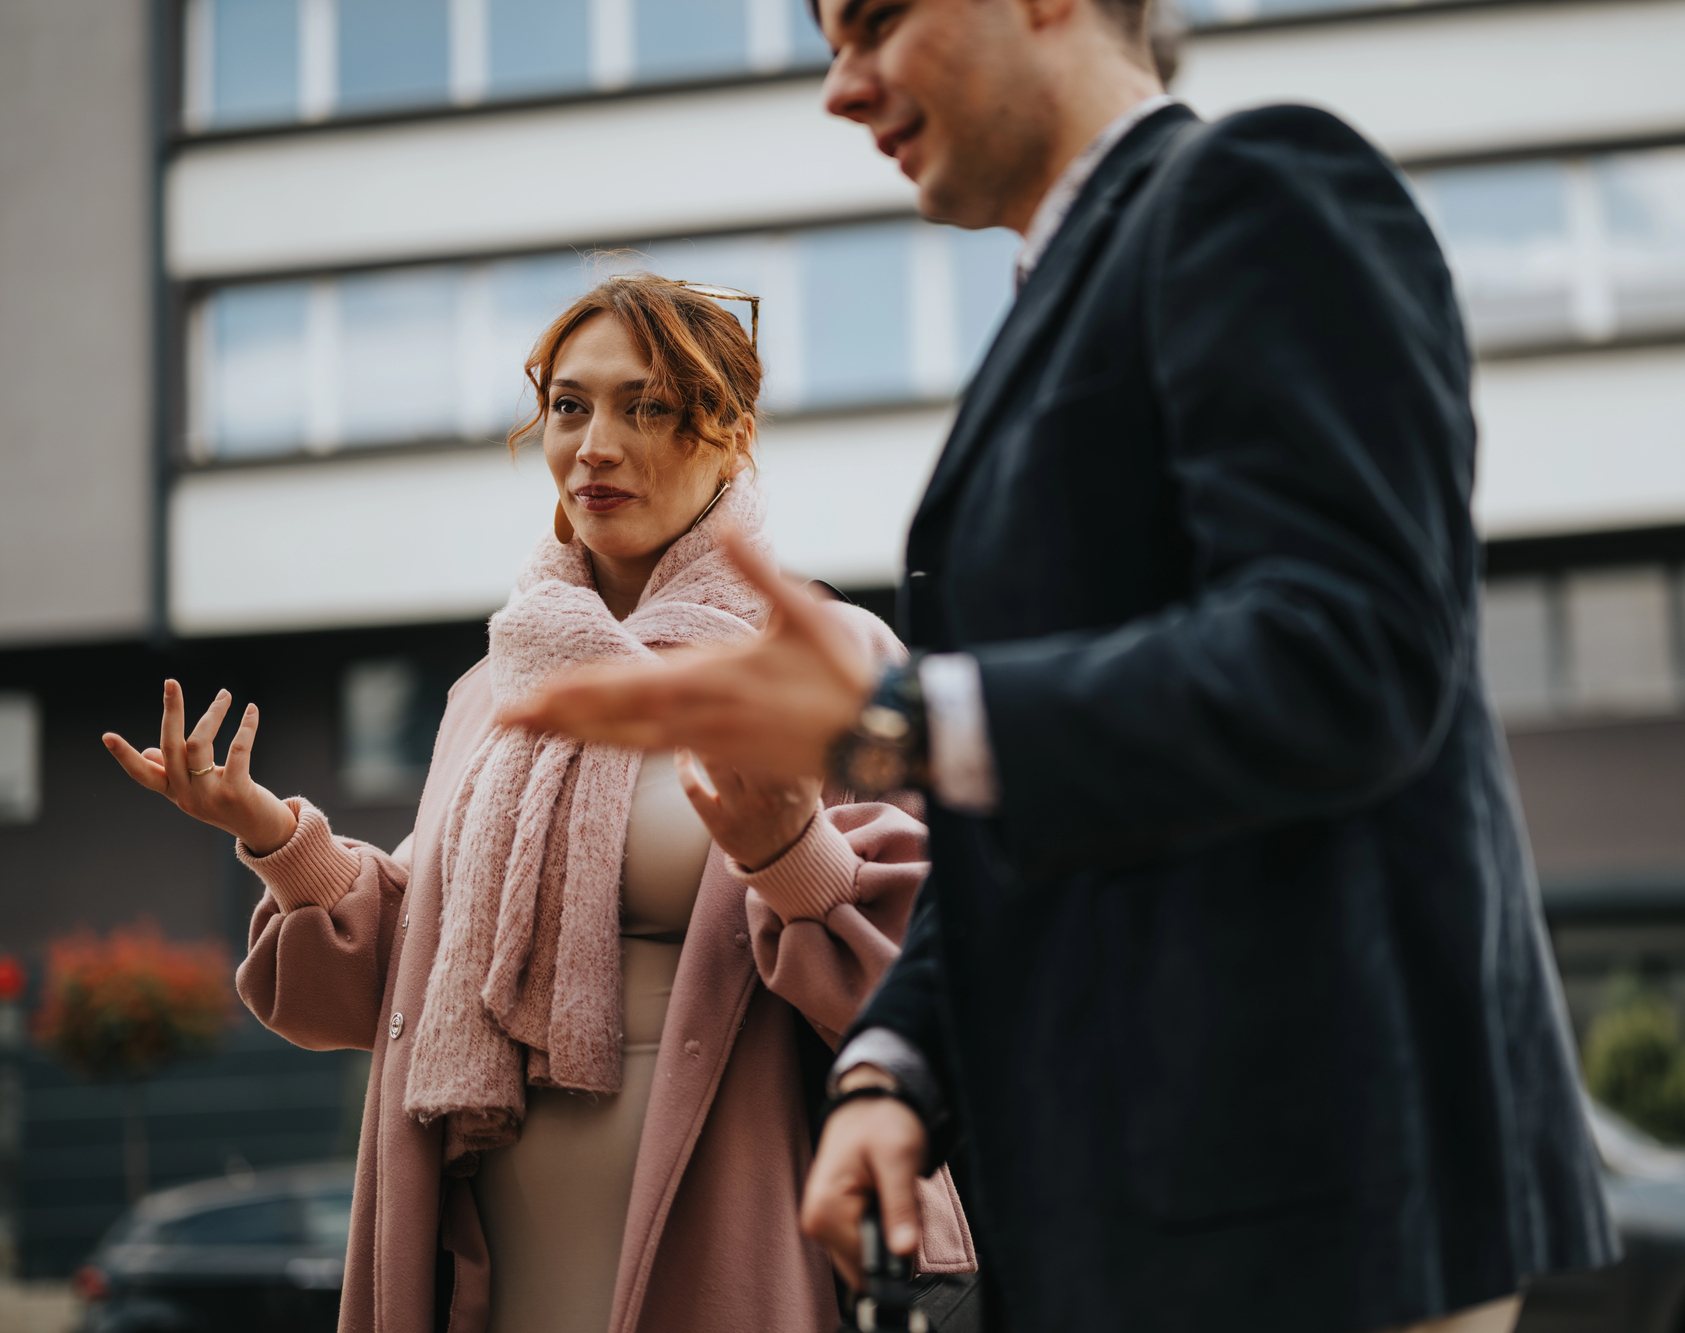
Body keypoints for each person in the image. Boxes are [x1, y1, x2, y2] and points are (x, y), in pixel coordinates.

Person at [501, 0, 1618, 1328]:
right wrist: (894, 1069)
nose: (841, 90)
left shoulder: (1260, 190)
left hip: (1319, 1198)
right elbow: (1032, 813)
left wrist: (892, 718)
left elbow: (1351, 654)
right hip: (1146, 1215)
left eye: (869, 23)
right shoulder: (1057, 309)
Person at [101, 274, 976, 1333]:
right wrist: (276, 839)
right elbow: (414, 967)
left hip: (729, 1205)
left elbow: (938, 959)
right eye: (569, 405)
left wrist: (789, 851)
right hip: (493, 1220)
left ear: (729, 434)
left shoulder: (827, 660)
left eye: (645, 406)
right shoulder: (497, 687)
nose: (594, 444)